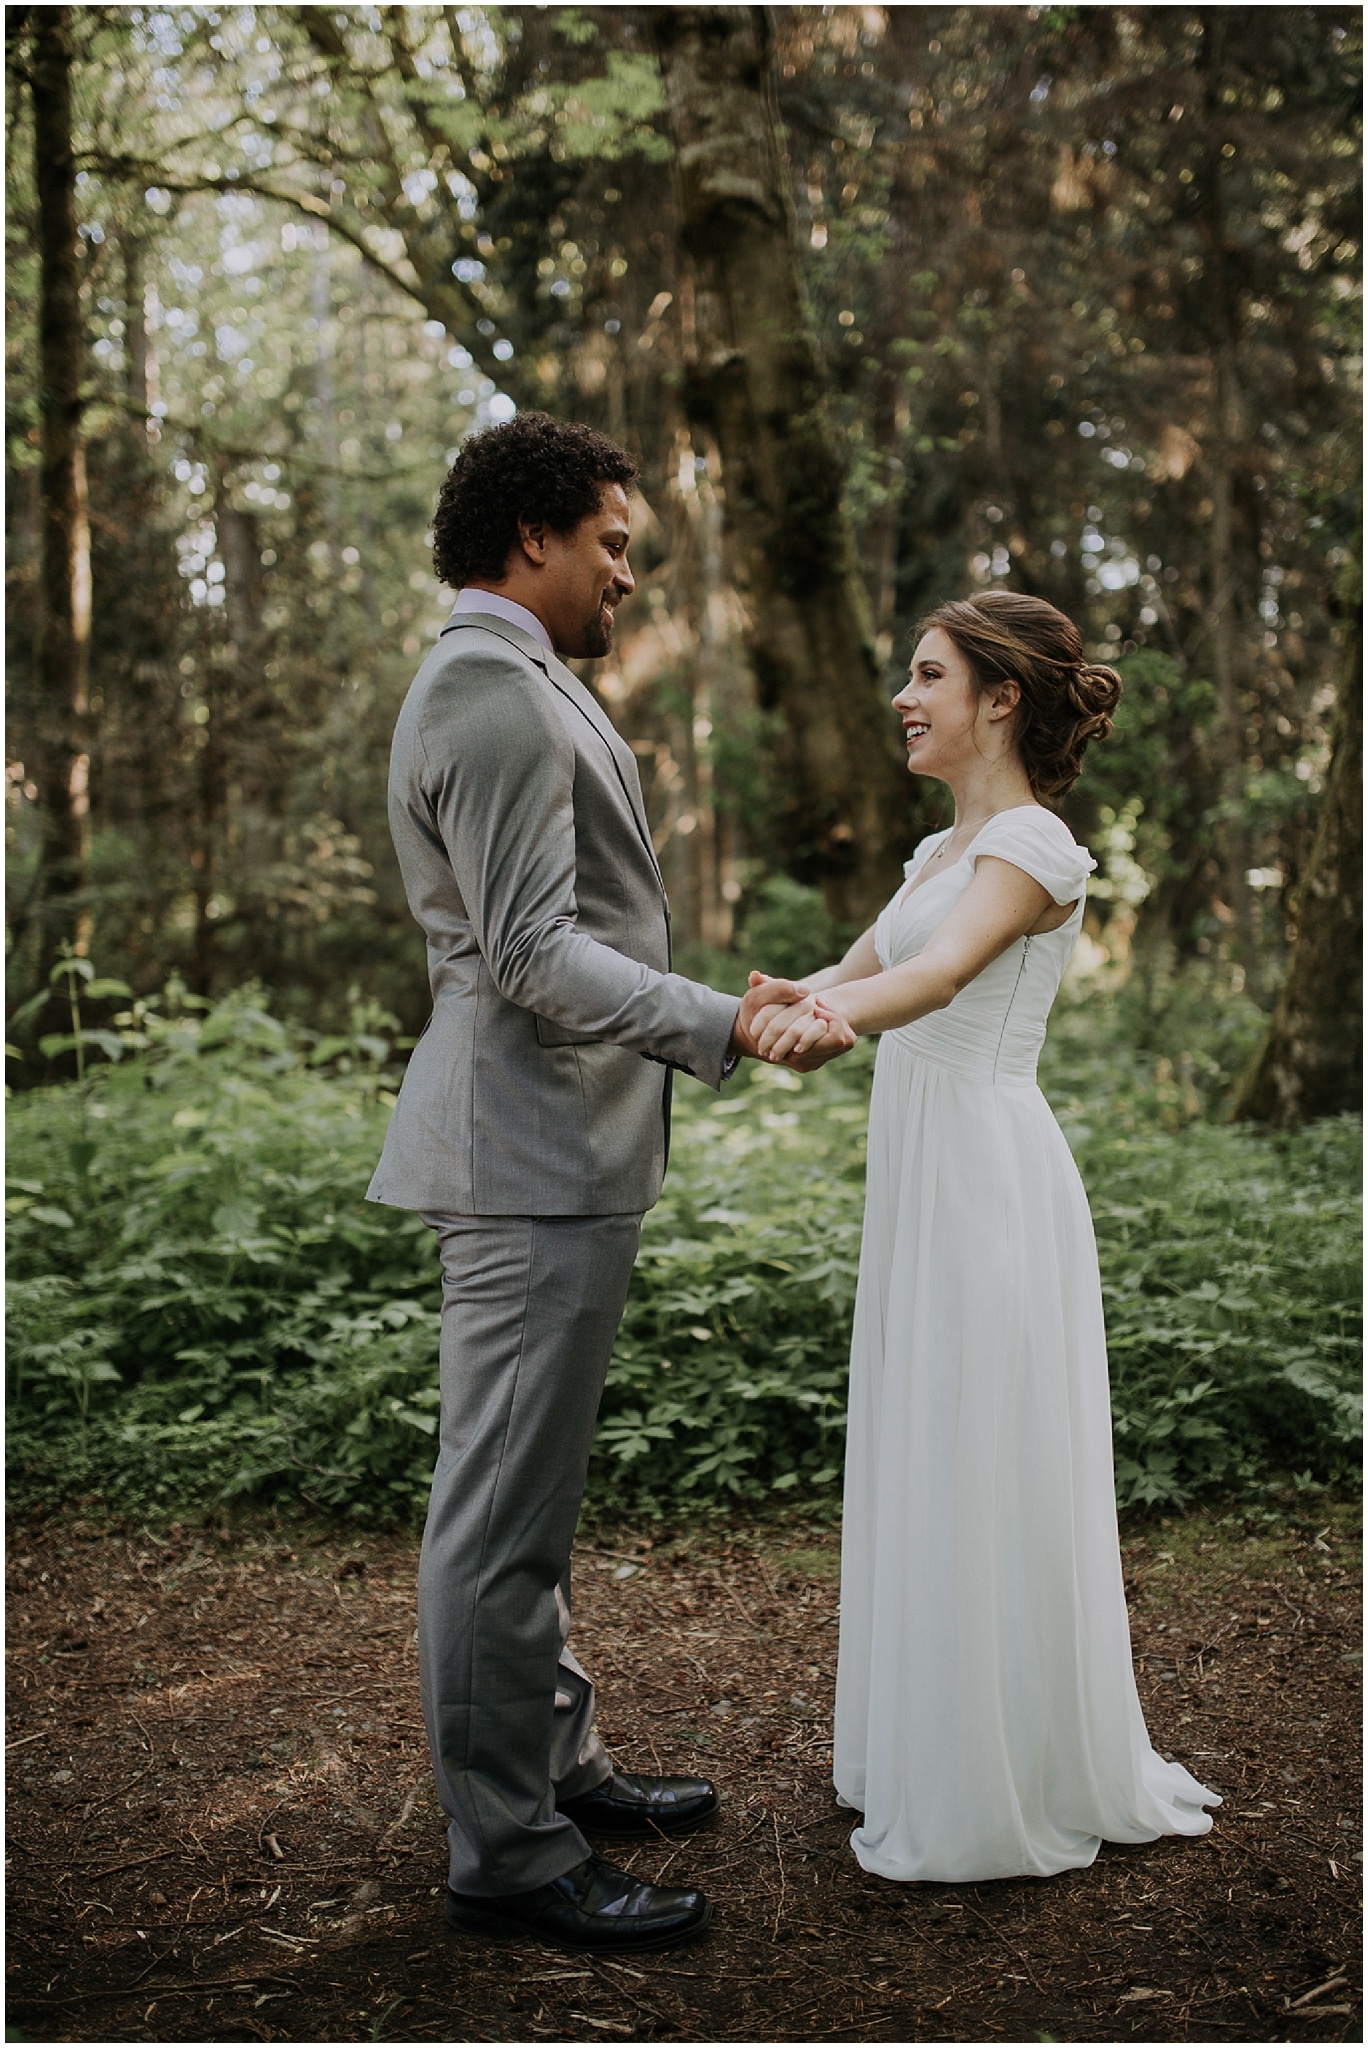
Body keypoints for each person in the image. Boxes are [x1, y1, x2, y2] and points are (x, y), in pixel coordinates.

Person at [366, 412, 852, 1952]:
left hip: (555, 1145)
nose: (628, 573)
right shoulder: (492, 695)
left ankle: (555, 1763)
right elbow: (526, 955)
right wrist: (725, 1021)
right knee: (497, 1517)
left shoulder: (518, 684)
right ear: (535, 538)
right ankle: (504, 1850)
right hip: (522, 1148)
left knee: (534, 1502)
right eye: (615, 543)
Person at [754, 591, 1220, 1883]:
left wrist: (840, 1024)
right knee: (923, 1435)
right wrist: (777, 1008)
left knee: (978, 1446)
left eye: (926, 676)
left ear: (999, 698)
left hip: (987, 1180)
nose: (903, 698)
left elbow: (939, 976)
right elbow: (849, 970)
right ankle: (923, 1749)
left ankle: (996, 1781)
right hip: (922, 1172)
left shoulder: (1033, 847)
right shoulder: (932, 854)